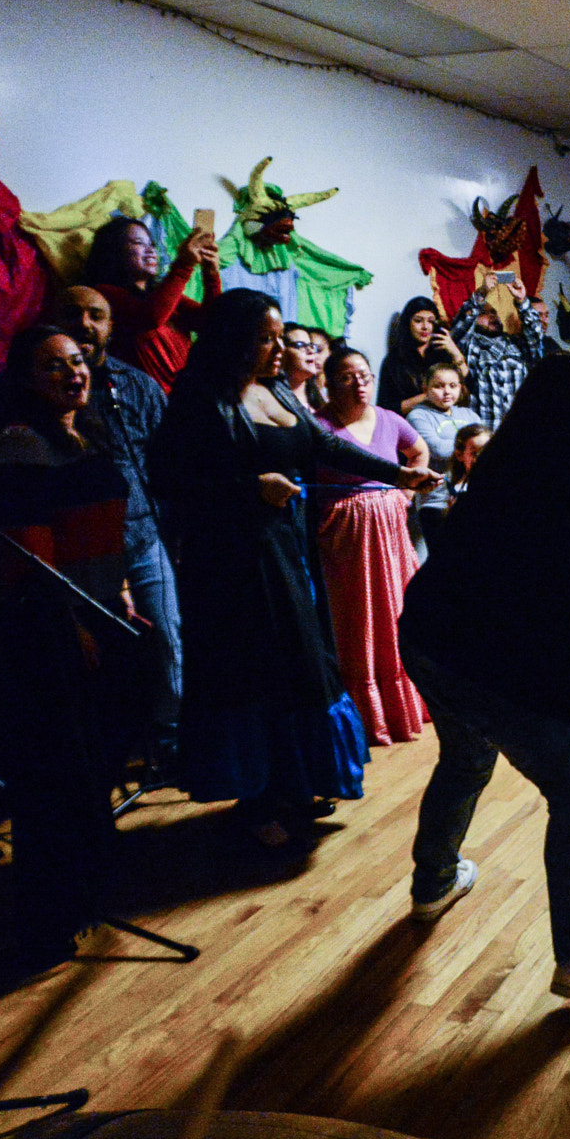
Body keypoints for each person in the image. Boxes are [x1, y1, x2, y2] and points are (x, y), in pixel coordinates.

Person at [401, 352, 570, 1010]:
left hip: (432, 635)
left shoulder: (510, 452)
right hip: (477, 653)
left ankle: (435, 878)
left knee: (467, 755)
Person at [150, 290, 426, 851]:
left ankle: (296, 783)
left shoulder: (276, 389)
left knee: (302, 665)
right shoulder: (198, 397)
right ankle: (255, 801)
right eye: (265, 339)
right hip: (230, 566)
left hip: (283, 550)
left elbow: (321, 443)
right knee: (252, 676)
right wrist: (248, 487)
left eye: (280, 338)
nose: (279, 349)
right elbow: (173, 484)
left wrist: (395, 474)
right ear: (233, 341)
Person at [0, 325, 133, 964]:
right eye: (52, 366)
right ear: (25, 380)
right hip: (48, 625)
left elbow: (94, 533)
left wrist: (117, 590)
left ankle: (84, 898)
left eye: (77, 360)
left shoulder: (84, 429)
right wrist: (71, 622)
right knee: (56, 774)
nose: (73, 372)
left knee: (94, 762)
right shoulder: (20, 442)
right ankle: (48, 921)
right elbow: (27, 553)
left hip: (95, 607)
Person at [54, 284, 180, 755]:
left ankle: (170, 740)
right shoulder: (31, 389)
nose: (84, 324)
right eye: (73, 314)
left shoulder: (137, 385)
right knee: (98, 653)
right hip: (76, 550)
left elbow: (169, 462)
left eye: (96, 315)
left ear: (110, 326)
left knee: (169, 639)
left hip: (145, 535)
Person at [316, 347, 435, 749]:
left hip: (391, 532)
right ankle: (371, 715)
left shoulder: (388, 418)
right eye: (348, 376)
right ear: (329, 385)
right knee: (361, 621)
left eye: (364, 374)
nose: (359, 383)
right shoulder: (319, 427)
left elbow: (418, 452)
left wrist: (401, 494)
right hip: (347, 540)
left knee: (402, 610)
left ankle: (410, 705)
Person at [82, 214, 220, 392]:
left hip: (186, 398)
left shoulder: (163, 293)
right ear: (114, 251)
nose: (151, 250)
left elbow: (213, 324)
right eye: (139, 243)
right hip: (144, 402)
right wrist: (183, 265)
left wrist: (211, 275)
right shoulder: (104, 294)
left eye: (152, 244)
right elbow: (149, 318)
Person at [405, 362, 481, 546]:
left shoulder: (469, 414)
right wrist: (473, 446)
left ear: (461, 389)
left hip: (470, 498)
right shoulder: (418, 416)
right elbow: (438, 449)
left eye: (453, 386)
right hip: (435, 501)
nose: (446, 391)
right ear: (425, 388)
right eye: (439, 386)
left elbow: (488, 445)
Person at [451, 276, 537, 428]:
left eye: (494, 312)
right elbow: (460, 327)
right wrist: (482, 293)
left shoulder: (516, 343)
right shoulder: (470, 346)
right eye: (484, 313)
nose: (492, 316)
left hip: (519, 431)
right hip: (485, 435)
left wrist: (522, 301)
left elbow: (535, 336)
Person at [380, 295, 466, 416]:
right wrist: (429, 396)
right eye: (418, 320)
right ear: (407, 323)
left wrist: (455, 352)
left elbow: (466, 385)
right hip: (410, 423)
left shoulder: (442, 353)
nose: (425, 327)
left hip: (445, 420)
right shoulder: (394, 360)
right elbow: (386, 409)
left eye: (430, 321)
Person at [280, 322, 329, 412]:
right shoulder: (270, 399)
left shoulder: (322, 401)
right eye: (300, 345)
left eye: (311, 346)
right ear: (281, 352)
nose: (310, 351)